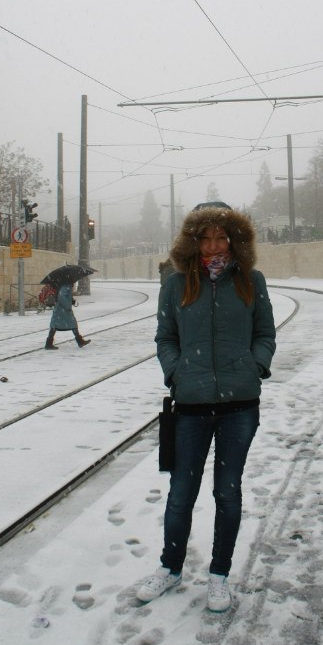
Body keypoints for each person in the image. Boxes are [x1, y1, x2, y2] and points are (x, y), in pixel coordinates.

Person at [137, 203, 276, 613]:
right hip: (191, 404)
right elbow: (165, 338)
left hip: (240, 406)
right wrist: (176, 372)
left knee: (227, 493)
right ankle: (171, 566)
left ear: (234, 239)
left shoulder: (252, 281)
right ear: (193, 242)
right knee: (181, 493)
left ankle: (219, 575)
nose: (214, 245)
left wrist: (256, 364)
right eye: (206, 237)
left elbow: (265, 332)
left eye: (221, 237)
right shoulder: (176, 284)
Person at [44, 283, 89, 349]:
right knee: (71, 324)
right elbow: (62, 297)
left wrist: (72, 301)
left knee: (55, 325)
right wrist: (68, 306)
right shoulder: (66, 285)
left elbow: (65, 296)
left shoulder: (64, 285)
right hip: (62, 310)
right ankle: (80, 341)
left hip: (60, 310)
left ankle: (49, 343)